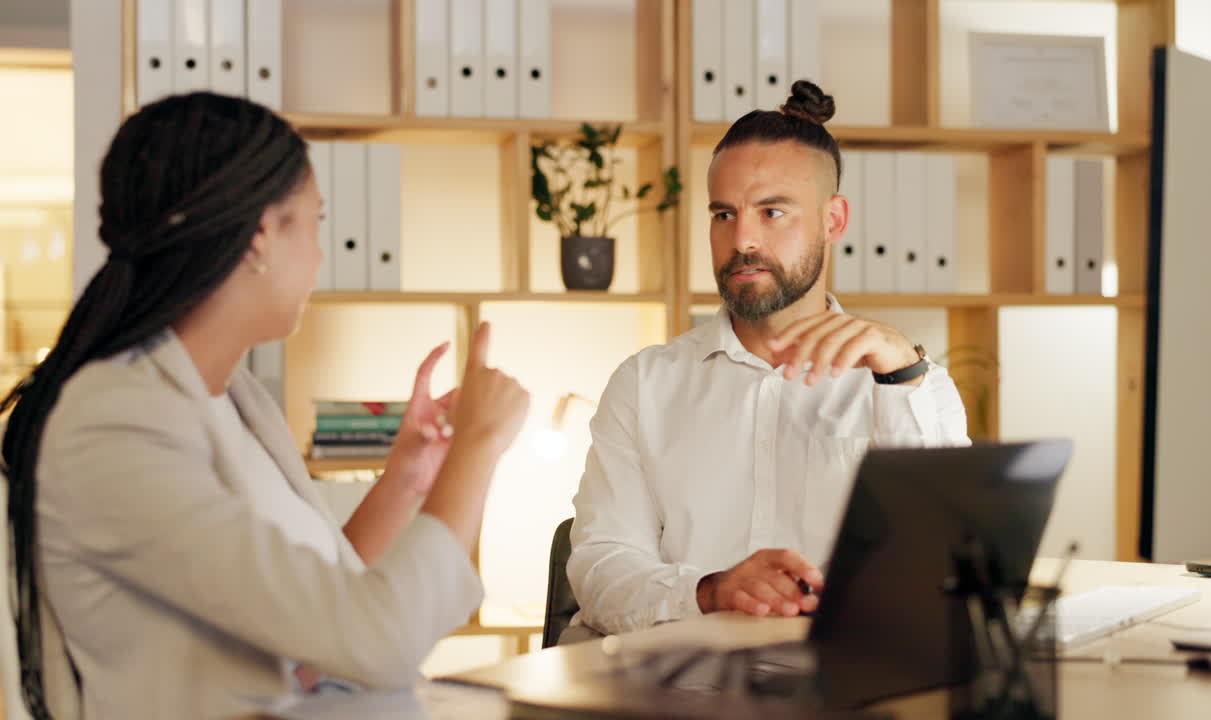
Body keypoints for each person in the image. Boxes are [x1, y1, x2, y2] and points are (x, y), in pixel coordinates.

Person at [1, 92, 530, 718]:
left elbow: (318, 612)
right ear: (260, 236)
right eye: (313, 223)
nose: (319, 256)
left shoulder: (235, 398)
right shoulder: (114, 425)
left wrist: (407, 480)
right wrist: (479, 446)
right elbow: (376, 638)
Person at [566, 81, 970, 638]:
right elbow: (600, 567)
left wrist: (899, 374)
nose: (743, 240)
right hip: (681, 689)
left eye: (772, 212)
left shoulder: (912, 385)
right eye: (724, 215)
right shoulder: (644, 384)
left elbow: (948, 567)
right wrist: (709, 591)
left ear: (833, 220)